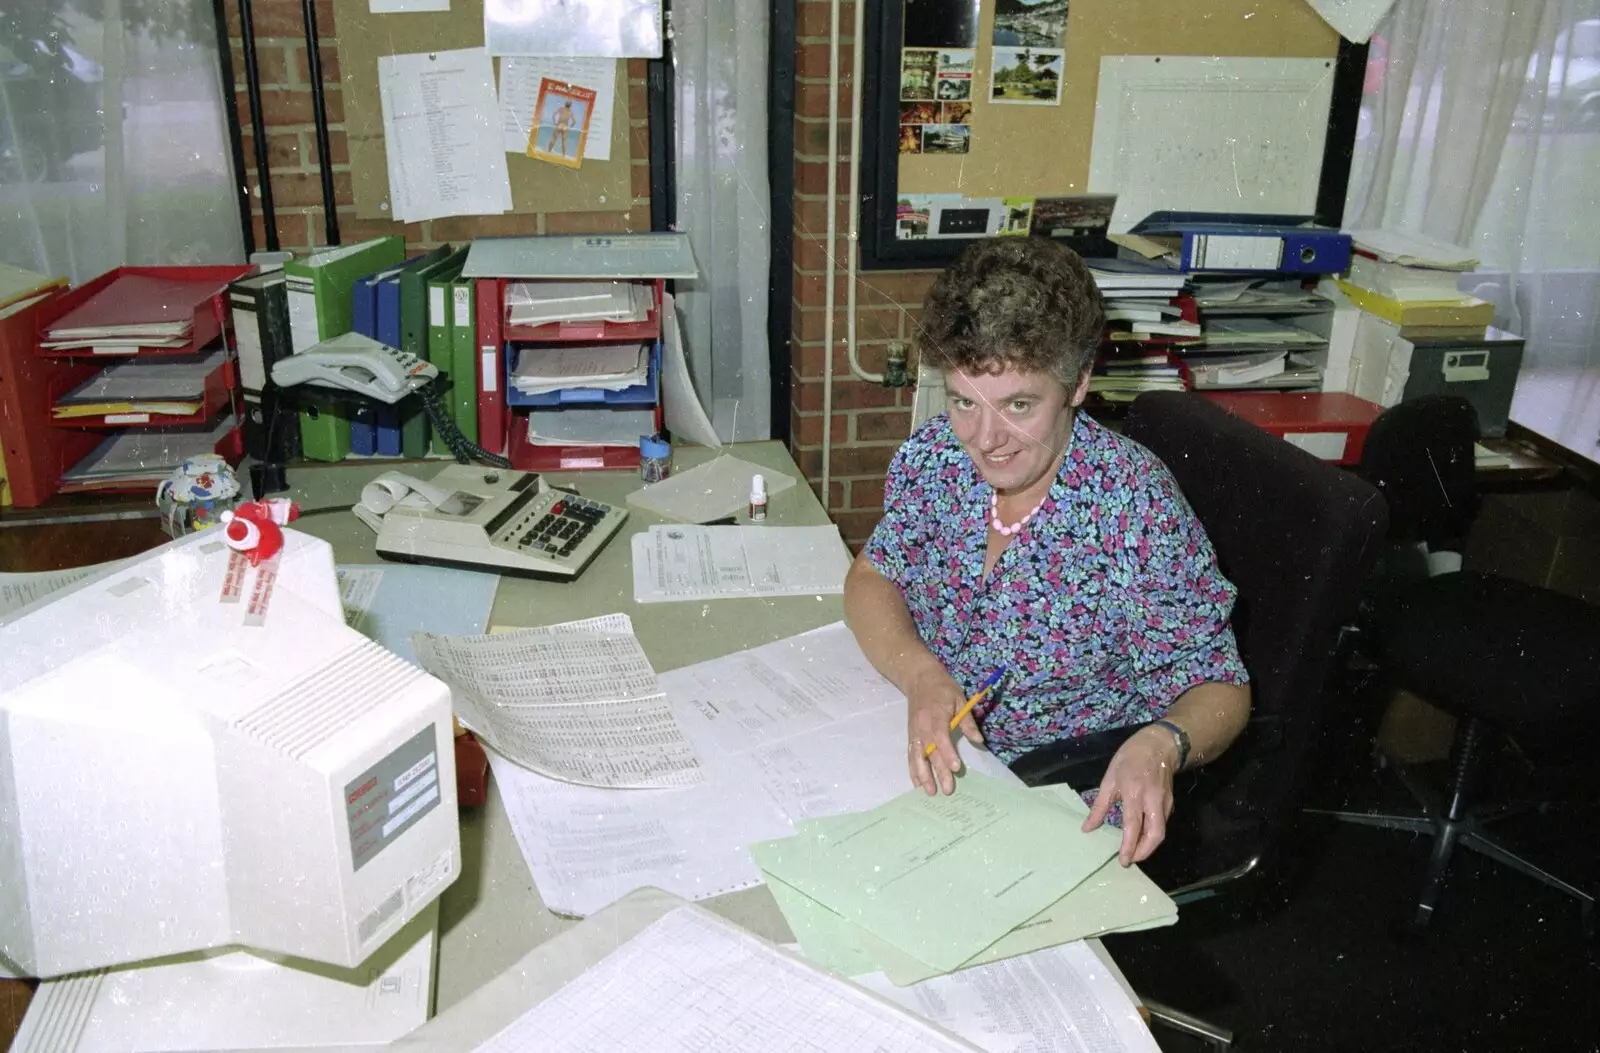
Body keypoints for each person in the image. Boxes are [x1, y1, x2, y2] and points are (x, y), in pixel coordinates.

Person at [842, 236, 1252, 867]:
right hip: (932, 753)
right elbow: (872, 577)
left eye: (1019, 405)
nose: (984, 440)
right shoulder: (934, 458)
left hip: (1064, 801)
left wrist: (1163, 742)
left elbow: (1221, 687)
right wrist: (922, 674)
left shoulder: (1132, 507)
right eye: (962, 403)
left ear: (1077, 383)